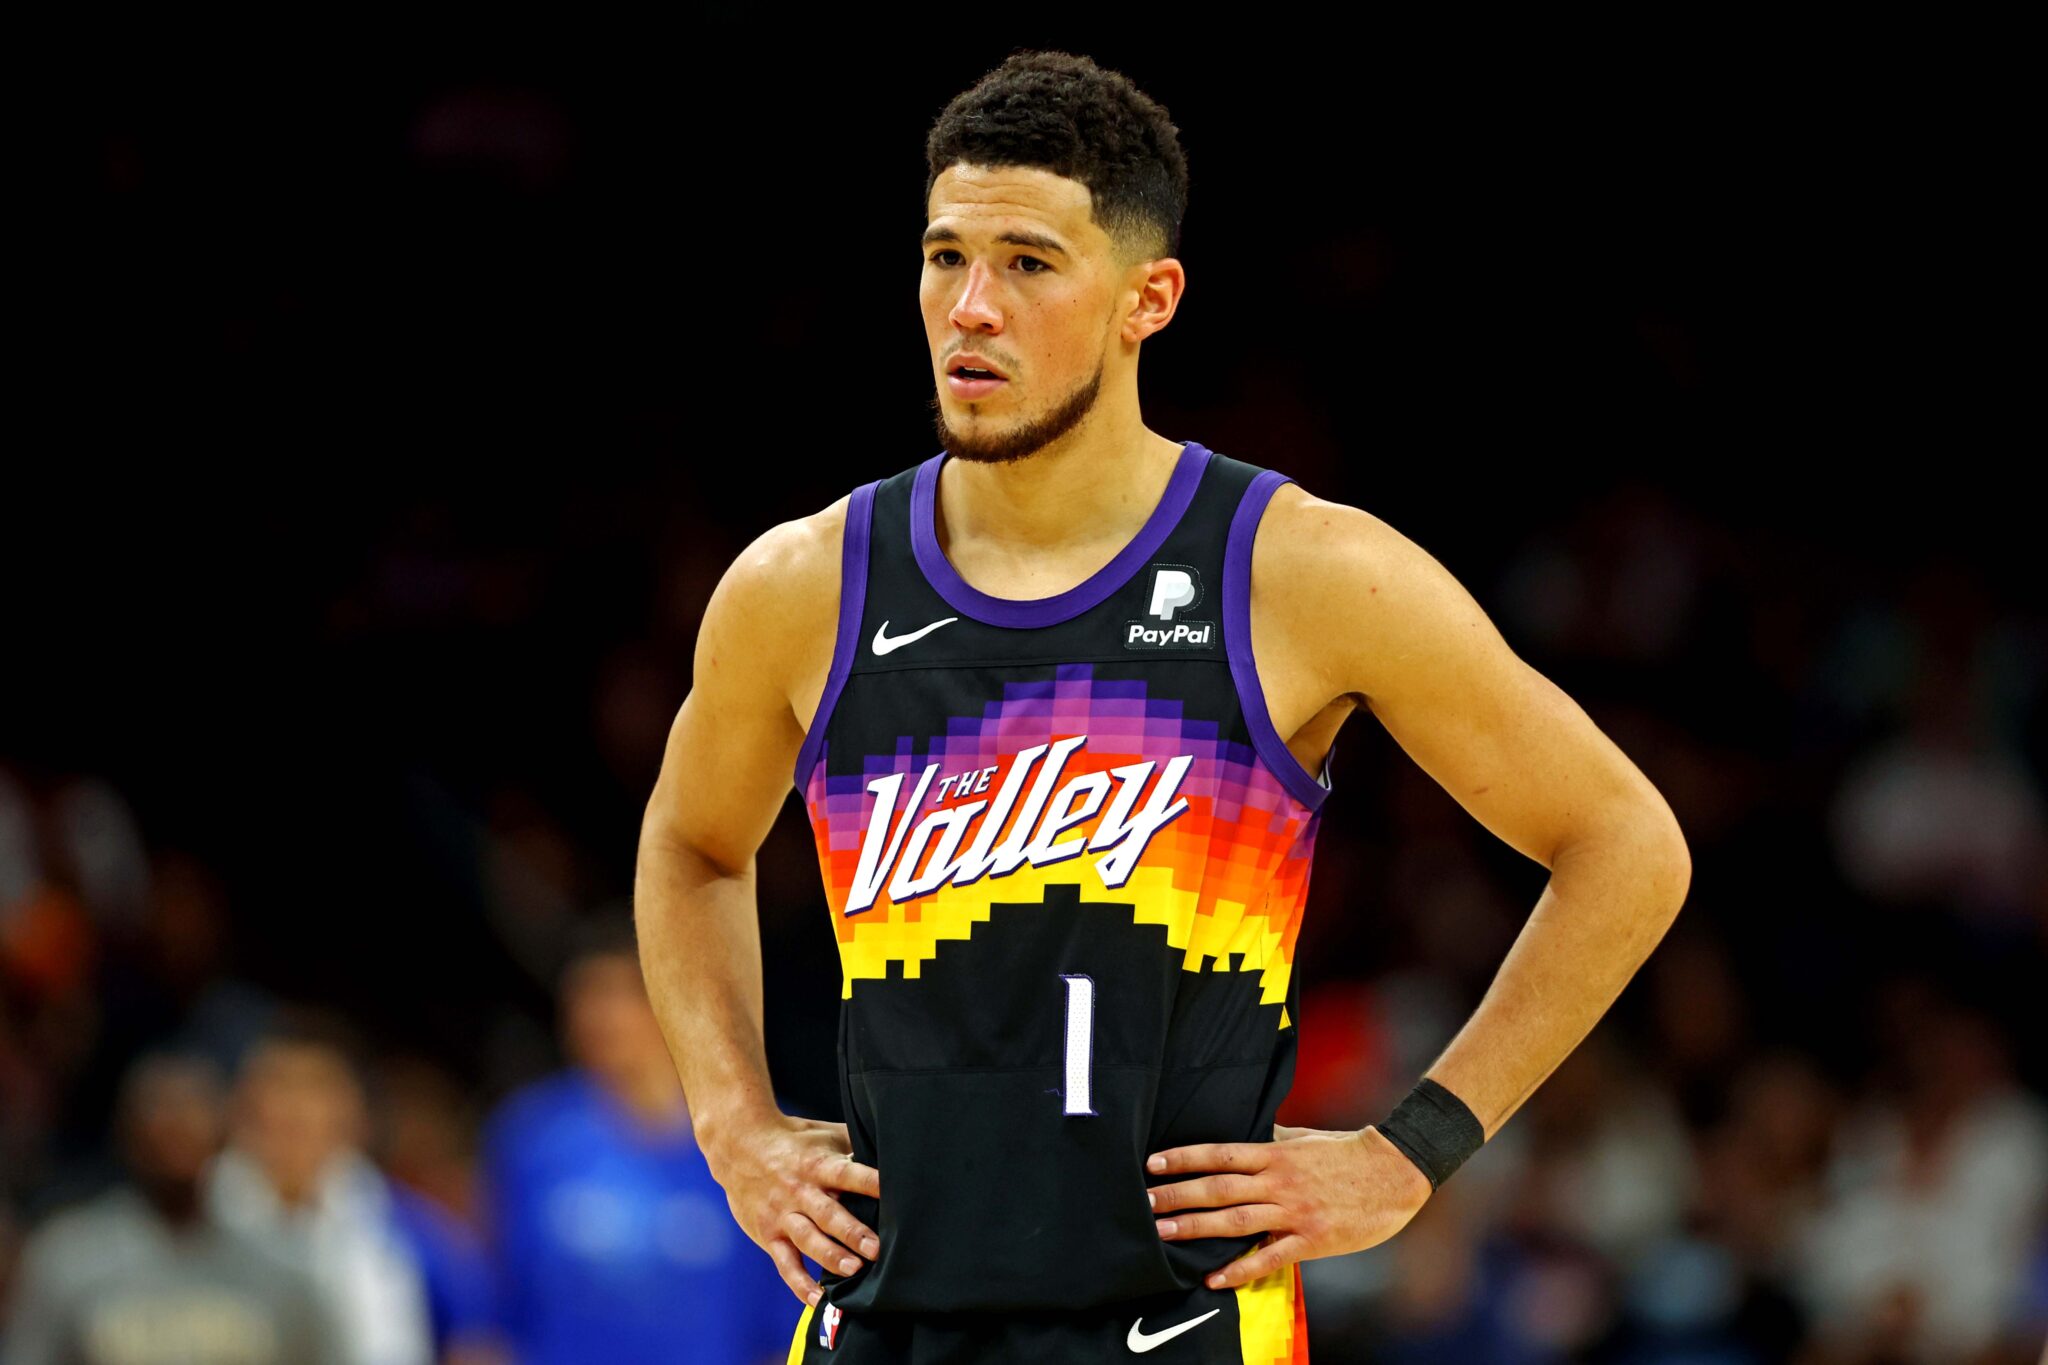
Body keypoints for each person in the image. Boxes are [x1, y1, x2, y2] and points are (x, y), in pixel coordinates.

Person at [633, 49, 1693, 1363]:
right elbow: (690, 844)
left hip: (1182, 1323)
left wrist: (1410, 1151)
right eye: (943, 256)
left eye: (1027, 263)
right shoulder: (803, 586)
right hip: (882, 1317)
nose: (970, 307)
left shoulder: (1301, 571)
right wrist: (733, 1124)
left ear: (1150, 298)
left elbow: (1625, 843)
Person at [478, 917, 793, 1365]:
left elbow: (788, 1322)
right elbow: (498, 1309)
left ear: (673, 1000)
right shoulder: (529, 1138)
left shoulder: (763, 1139)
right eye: (583, 996)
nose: (596, 1017)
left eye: (618, 994)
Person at [0, 1051, 340, 1365]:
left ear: (225, 1130)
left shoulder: (281, 1264)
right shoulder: (69, 1255)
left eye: (193, 1110)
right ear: (125, 1131)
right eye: (159, 1110)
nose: (177, 1126)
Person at [204, 1017, 445, 1365]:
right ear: (239, 1106)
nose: (296, 1109)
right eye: (279, 1085)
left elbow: (475, 1342)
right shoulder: (190, 1215)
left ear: (355, 1113)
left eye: (317, 1087)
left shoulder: (408, 1230)